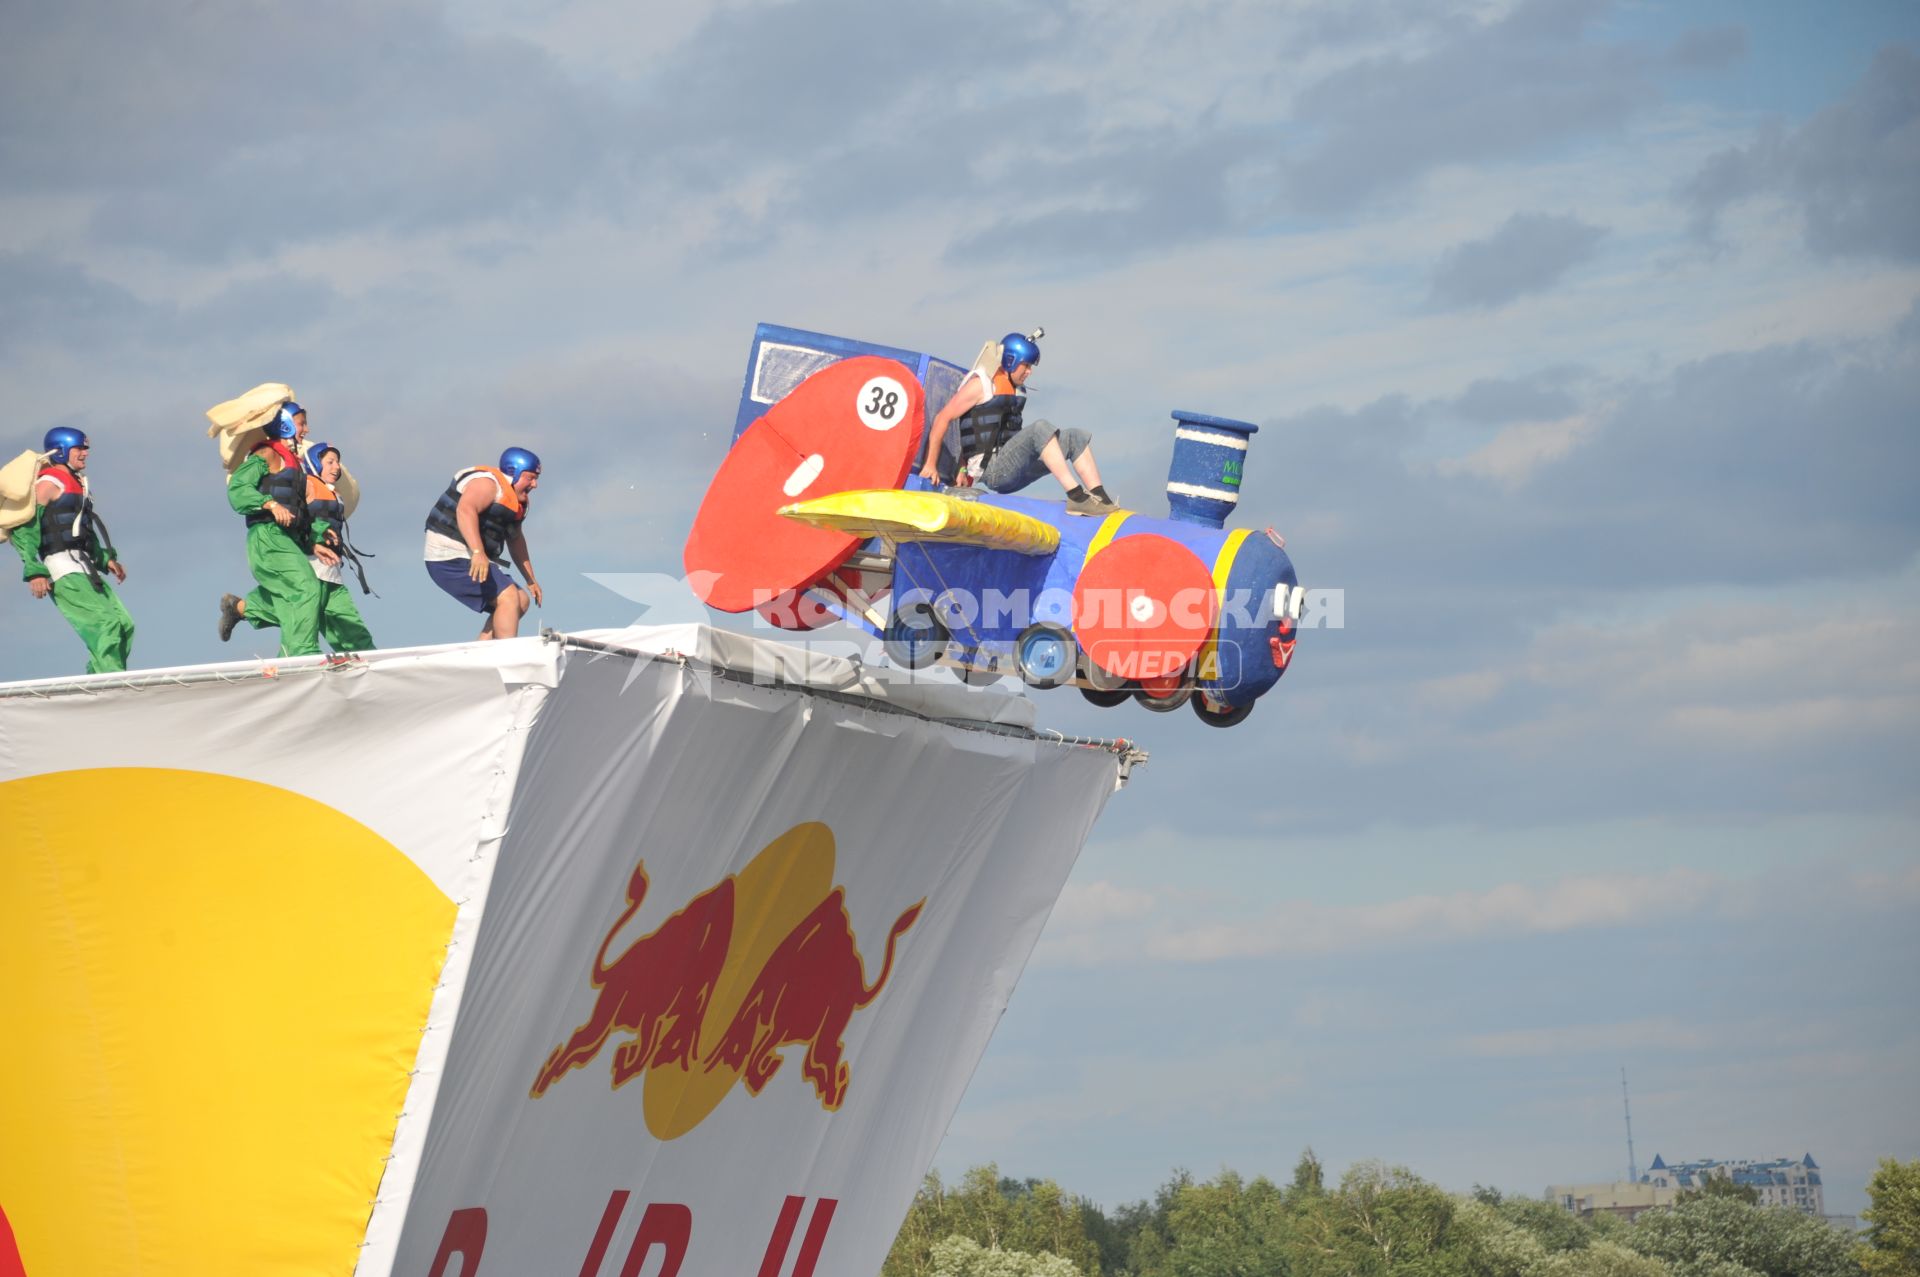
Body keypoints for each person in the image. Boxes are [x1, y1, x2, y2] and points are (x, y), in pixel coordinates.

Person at [919, 330, 1116, 516]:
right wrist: (930, 464)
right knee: (1040, 428)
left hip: (1017, 468)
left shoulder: (1018, 391)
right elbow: (942, 418)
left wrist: (962, 468)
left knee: (1074, 436)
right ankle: (1077, 497)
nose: (1029, 372)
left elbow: (983, 432)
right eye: (1026, 365)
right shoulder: (981, 385)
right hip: (995, 471)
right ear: (1011, 361)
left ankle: (1101, 500)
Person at [8, 427, 135, 673]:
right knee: (105, 624)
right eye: (79, 449)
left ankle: (100, 682)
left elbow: (81, 531)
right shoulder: (49, 482)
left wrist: (105, 560)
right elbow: (25, 529)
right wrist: (34, 571)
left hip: (84, 565)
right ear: (61, 451)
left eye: (85, 448)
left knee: (123, 624)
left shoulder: (78, 484)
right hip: (61, 568)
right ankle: (109, 687)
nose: (85, 453)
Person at [218, 402, 327, 655]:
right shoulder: (267, 454)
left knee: (293, 601)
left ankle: (286, 659)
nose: (307, 430)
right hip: (267, 538)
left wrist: (314, 542)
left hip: (286, 539)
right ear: (285, 425)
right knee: (306, 587)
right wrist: (268, 502)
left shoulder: (294, 464)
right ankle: (304, 655)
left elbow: (298, 510)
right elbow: (238, 489)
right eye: (302, 424)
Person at [422, 447, 544, 640]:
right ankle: (507, 655)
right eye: (530, 478)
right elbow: (465, 510)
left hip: (470, 556)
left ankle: (480, 653)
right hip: (448, 556)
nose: (535, 484)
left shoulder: (517, 503)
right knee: (509, 596)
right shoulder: (487, 485)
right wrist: (478, 552)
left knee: (521, 601)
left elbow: (515, 538)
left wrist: (531, 579)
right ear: (514, 472)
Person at [300, 441, 375, 653]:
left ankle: (367, 656)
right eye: (330, 462)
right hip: (309, 567)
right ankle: (242, 609)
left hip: (331, 569)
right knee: (301, 623)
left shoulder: (335, 493)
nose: (336, 467)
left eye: (338, 462)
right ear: (315, 463)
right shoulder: (305, 485)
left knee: (348, 622)